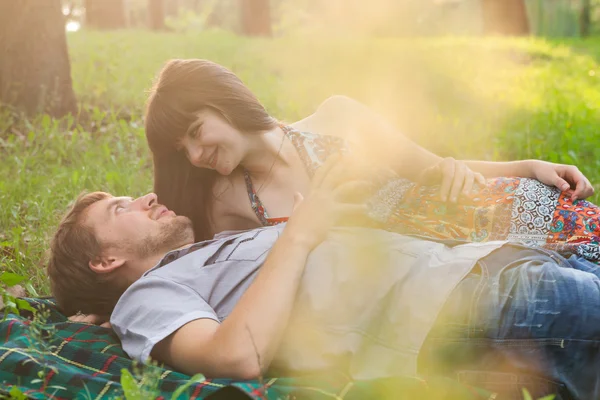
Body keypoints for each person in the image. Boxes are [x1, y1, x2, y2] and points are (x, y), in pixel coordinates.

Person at [49, 158, 600, 400]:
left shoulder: (205, 251)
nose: (143, 197)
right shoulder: (146, 298)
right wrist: (301, 233)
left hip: (493, 264)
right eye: (121, 207)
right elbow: (234, 357)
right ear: (105, 262)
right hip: (457, 304)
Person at [145, 59, 599, 262]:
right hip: (470, 267)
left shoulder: (337, 116)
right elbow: (196, 267)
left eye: (196, 132)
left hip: (512, 210)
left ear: (223, 102)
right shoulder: (227, 201)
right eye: (183, 151)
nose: (196, 156)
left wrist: (527, 167)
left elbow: (435, 167)